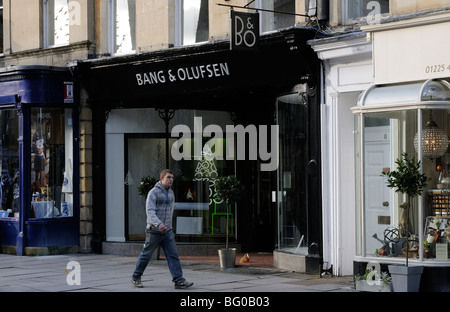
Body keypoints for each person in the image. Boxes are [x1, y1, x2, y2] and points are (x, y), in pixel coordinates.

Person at [131, 169, 193, 289]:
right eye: (168, 177)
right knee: (146, 255)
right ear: (162, 179)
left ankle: (179, 280)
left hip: (167, 231)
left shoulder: (171, 193)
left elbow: (170, 211)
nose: (171, 180)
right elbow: (150, 211)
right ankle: (135, 277)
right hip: (154, 231)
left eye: (172, 178)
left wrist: (169, 227)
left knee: (173, 255)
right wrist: (159, 224)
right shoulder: (153, 193)